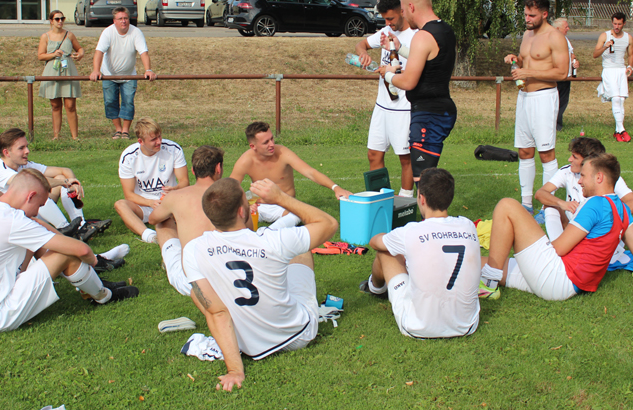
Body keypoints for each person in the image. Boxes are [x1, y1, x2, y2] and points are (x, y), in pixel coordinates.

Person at [183, 177, 339, 391]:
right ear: (241, 211)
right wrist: (280, 198)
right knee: (301, 251)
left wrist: (235, 370)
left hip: (249, 344)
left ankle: (240, 339)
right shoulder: (272, 239)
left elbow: (217, 313)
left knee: (198, 292)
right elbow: (329, 224)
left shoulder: (193, 249)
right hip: (298, 334)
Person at [0, 169, 139, 334]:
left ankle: (89, 286)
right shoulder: (14, 221)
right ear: (29, 196)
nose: (37, 211)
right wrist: (93, 261)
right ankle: (103, 295)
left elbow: (30, 224)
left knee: (39, 236)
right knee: (65, 253)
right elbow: (81, 249)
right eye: (39, 205)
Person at [478, 153, 633, 301]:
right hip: (569, 285)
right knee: (479, 262)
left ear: (599, 178)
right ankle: (487, 276)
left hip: (557, 278)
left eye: (584, 176)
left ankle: (489, 285)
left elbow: (559, 248)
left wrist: (528, 236)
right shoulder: (623, 209)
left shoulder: (596, 204)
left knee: (508, 205)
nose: (579, 182)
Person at [361, 168, 481, 339]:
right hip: (467, 325)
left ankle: (375, 288)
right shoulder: (468, 226)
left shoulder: (412, 231)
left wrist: (387, 236)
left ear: (421, 198)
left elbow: (375, 242)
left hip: (418, 326)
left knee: (385, 252)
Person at [376, 0, 457, 184]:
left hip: (428, 115)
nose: (403, 16)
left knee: (423, 179)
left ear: (411, 7)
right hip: (441, 109)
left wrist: (387, 74)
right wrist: (399, 48)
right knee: (426, 176)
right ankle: (431, 215)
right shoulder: (445, 30)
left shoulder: (423, 35)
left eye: (402, 10)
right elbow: (427, 58)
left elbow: (408, 82)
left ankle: (430, 216)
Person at [502, 0, 569, 215]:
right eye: (525, 14)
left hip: (544, 97)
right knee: (524, 151)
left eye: (532, 15)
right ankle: (527, 204)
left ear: (544, 14)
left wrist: (528, 71)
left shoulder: (555, 37)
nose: (527, 18)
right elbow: (527, 61)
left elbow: (562, 72)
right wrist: (516, 59)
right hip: (524, 97)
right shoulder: (527, 35)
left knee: (546, 153)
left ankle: (547, 206)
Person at [0, 128, 111, 242]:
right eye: (21, 148)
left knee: (60, 178)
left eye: (27, 146)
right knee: (35, 191)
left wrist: (72, 180)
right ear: (6, 152)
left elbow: (63, 170)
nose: (27, 151)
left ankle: (81, 225)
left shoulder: (24, 164)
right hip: (5, 223)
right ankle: (65, 229)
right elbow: (34, 183)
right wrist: (66, 183)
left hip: (23, 214)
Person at [229, 121, 351, 229]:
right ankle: (267, 231)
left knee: (298, 214)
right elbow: (229, 188)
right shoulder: (245, 160)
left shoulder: (282, 153)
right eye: (266, 142)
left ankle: (268, 233)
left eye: (272, 139)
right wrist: (245, 204)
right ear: (253, 146)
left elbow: (310, 172)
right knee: (231, 214)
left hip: (284, 206)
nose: (271, 144)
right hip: (258, 206)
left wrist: (336, 188)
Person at [535, 137, 633, 261]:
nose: (570, 159)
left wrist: (606, 221)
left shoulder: (606, 177)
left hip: (598, 237)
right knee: (550, 206)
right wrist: (562, 203)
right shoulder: (567, 171)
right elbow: (540, 193)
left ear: (587, 161)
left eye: (574, 157)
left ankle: (561, 254)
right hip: (574, 230)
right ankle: (557, 252)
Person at [355, 0, 416, 197]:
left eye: (391, 18)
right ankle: (378, 200)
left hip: (404, 107)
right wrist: (363, 53)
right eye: (384, 19)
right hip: (382, 106)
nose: (388, 23)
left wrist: (391, 72)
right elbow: (361, 43)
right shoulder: (385, 31)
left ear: (403, 11)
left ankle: (406, 201)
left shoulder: (416, 36)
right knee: (373, 154)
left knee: (405, 157)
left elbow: (419, 72)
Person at [147, 146, 224, 296]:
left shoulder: (176, 196)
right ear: (218, 168)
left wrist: (175, 211)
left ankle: (169, 257)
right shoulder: (233, 194)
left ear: (193, 171)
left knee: (162, 221)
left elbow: (152, 218)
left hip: (192, 282)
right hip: (228, 276)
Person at [115, 117, 189, 243]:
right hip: (144, 205)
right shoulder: (129, 157)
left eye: (159, 137)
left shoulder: (173, 149)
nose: (159, 142)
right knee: (120, 205)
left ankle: (174, 221)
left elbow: (184, 182)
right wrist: (150, 203)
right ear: (141, 141)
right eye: (153, 139)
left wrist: (174, 189)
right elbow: (129, 195)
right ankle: (148, 235)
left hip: (169, 202)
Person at [89, 7, 156, 139]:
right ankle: (118, 129)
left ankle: (125, 131)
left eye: (125, 18)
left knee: (128, 102)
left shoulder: (136, 32)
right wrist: (96, 71)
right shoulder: (108, 32)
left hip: (129, 74)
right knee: (110, 102)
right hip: (108, 74)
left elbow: (144, 52)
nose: (123, 21)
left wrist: (148, 69)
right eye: (120, 19)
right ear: (114, 21)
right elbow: (99, 52)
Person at [37, 10, 84, 141]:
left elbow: (79, 49)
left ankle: (75, 136)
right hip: (52, 69)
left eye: (62, 19)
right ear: (51, 21)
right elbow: (40, 56)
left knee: (70, 105)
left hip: (68, 69)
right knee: (55, 105)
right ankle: (56, 135)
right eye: (57, 19)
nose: (60, 21)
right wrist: (53, 54)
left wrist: (80, 54)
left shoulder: (69, 35)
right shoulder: (45, 36)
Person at [593, 12, 633, 142]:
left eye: (619, 24)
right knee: (616, 99)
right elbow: (595, 54)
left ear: (624, 24)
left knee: (621, 100)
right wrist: (605, 46)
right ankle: (622, 129)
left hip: (621, 70)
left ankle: (617, 133)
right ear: (612, 23)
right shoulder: (605, 36)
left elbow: (630, 54)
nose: (617, 26)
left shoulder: (628, 37)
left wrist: (630, 66)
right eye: (615, 24)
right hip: (609, 70)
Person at [552, 18, 579, 131]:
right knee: (553, 101)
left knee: (563, 101)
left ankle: (558, 125)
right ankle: (552, 126)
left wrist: (575, 61)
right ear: (558, 28)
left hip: (566, 76)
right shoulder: (551, 39)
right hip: (555, 75)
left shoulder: (566, 40)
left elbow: (571, 54)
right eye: (566, 27)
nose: (568, 29)